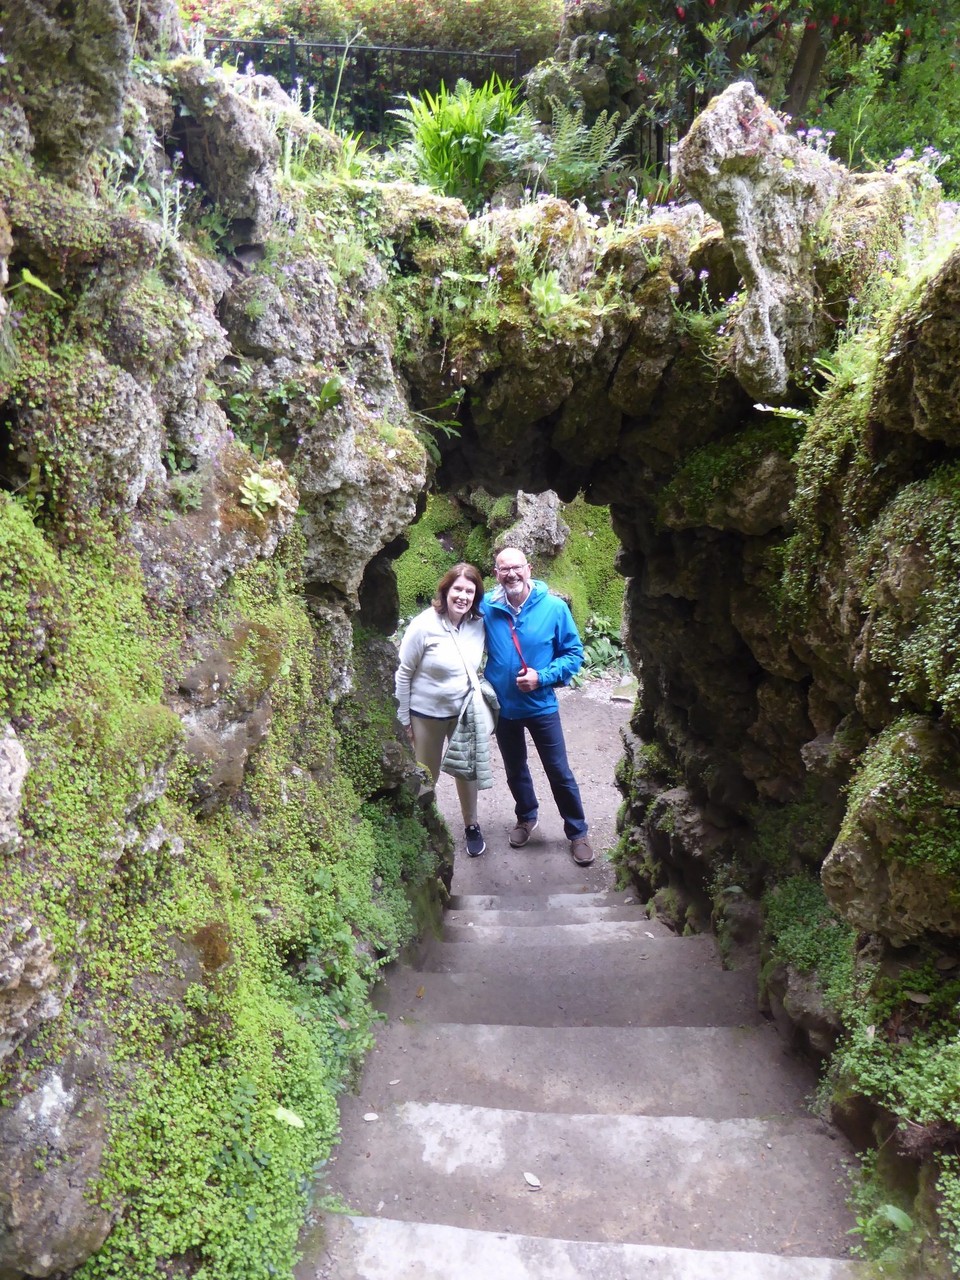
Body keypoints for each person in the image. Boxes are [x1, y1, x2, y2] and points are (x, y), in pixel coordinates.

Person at [480, 547, 595, 866]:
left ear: (529, 568)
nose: (511, 574)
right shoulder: (487, 607)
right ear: (496, 573)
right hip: (504, 709)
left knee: (559, 771)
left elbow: (574, 654)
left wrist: (542, 677)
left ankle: (577, 832)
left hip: (541, 705)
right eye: (504, 569)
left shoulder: (554, 608)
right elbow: (456, 617)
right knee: (515, 770)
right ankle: (526, 817)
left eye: (516, 567)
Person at [395, 563, 488, 857]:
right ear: (445, 590)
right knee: (426, 773)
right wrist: (403, 719)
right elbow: (403, 672)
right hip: (426, 716)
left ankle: (471, 824)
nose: (463, 596)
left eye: (469, 591)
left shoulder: (477, 624)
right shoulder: (424, 625)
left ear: (476, 595)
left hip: (463, 714)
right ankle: (423, 825)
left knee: (467, 771)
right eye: (457, 589)